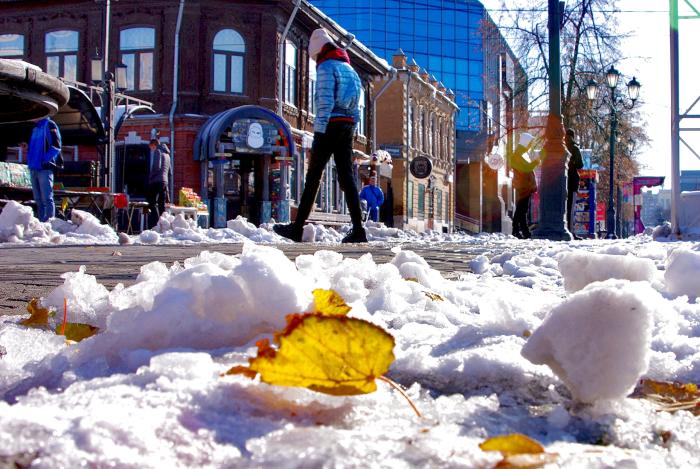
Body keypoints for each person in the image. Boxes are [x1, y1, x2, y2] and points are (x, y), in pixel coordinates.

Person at [273, 28, 367, 243]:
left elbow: (324, 102)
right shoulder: (350, 69)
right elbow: (356, 108)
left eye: (314, 56)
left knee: (313, 177)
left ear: (319, 50)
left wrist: (319, 131)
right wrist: (351, 127)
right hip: (347, 126)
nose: (315, 60)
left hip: (329, 126)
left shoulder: (326, 67)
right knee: (347, 178)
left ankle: (297, 228)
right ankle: (359, 230)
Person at [26, 117, 62, 222]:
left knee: (46, 198)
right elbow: (37, 147)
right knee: (38, 199)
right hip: (34, 167)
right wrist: (27, 148)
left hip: (44, 168)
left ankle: (49, 223)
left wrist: (44, 160)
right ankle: (42, 223)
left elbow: (56, 146)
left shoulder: (50, 124)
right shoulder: (35, 129)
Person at [510, 132, 541, 239]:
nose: (530, 145)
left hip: (524, 185)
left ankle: (522, 231)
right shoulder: (519, 154)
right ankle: (517, 230)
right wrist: (535, 162)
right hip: (523, 185)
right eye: (530, 143)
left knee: (522, 209)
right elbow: (525, 169)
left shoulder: (521, 153)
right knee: (521, 209)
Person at [146, 138, 170, 228]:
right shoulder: (168, 155)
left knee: (151, 202)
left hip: (156, 181)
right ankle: (163, 224)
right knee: (161, 204)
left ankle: (155, 223)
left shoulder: (158, 151)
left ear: (154, 145)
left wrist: (150, 176)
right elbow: (169, 172)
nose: (151, 149)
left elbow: (157, 166)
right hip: (164, 182)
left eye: (151, 147)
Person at [565, 128, 584, 236]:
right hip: (572, 180)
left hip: (561, 181)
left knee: (562, 206)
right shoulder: (574, 148)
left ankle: (564, 227)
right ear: (573, 136)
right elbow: (580, 165)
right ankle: (571, 231)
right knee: (571, 207)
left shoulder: (561, 146)